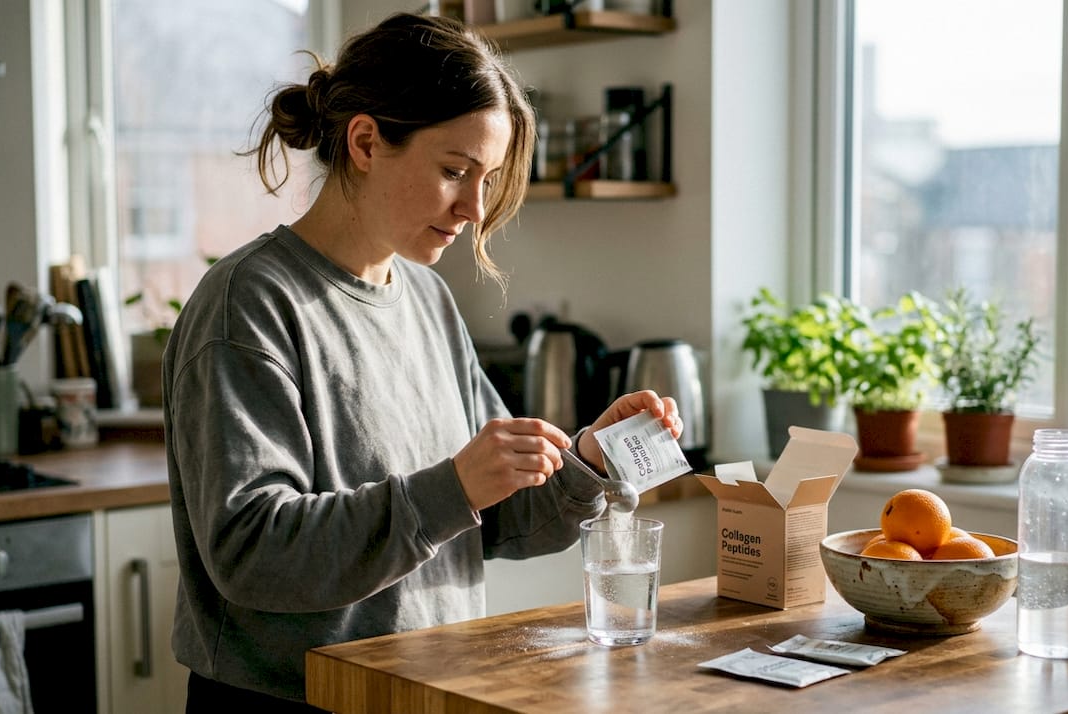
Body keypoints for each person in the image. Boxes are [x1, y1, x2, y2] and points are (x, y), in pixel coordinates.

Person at [161, 12, 682, 713]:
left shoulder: (427, 299)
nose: (474, 207)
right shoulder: (247, 304)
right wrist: (453, 489)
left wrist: (589, 458)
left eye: (486, 179)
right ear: (367, 141)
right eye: (454, 171)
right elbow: (253, 554)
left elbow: (491, 513)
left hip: (425, 689)